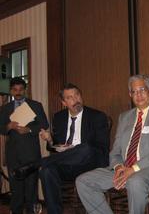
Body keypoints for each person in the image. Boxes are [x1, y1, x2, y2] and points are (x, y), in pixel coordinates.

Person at [76, 74, 149, 214]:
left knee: (135, 181)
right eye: (134, 92)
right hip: (124, 170)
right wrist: (118, 167)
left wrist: (134, 169)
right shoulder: (125, 117)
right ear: (130, 94)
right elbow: (116, 151)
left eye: (142, 90)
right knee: (83, 181)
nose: (138, 95)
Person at [13, 83, 110, 214]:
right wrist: (50, 140)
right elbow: (55, 147)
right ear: (64, 102)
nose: (75, 100)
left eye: (77, 95)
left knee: (85, 148)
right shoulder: (59, 117)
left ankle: (35, 164)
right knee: (46, 171)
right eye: (70, 98)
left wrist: (75, 149)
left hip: (90, 163)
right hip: (67, 164)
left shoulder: (97, 116)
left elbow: (102, 148)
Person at [0, 77, 49, 214]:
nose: (18, 92)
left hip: (31, 153)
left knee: (31, 187)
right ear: (11, 91)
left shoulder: (35, 105)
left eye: (21, 89)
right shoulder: (5, 108)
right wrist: (8, 126)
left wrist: (29, 129)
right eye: (15, 90)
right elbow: (1, 128)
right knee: (15, 189)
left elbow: (45, 124)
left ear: (25, 90)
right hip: (13, 154)